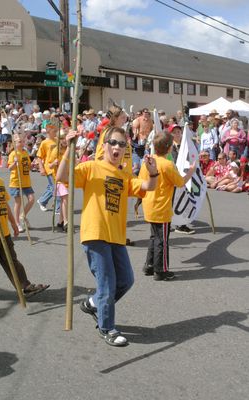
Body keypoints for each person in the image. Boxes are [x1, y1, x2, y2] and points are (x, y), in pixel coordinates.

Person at [56, 126, 158, 347]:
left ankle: (94, 304)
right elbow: (61, 176)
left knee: (126, 280)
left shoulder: (124, 174)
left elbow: (149, 186)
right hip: (95, 234)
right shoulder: (91, 167)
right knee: (107, 284)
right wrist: (69, 150)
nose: (117, 148)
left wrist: (153, 170)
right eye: (113, 142)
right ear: (104, 146)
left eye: (122, 144)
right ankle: (107, 327)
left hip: (116, 237)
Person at [0, 144, 49, 302]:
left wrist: (13, 224)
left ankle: (24, 286)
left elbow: (4, 205)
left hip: (3, 231)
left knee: (12, 261)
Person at [139, 131, 196, 281]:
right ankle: (161, 270)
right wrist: (191, 171)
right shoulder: (167, 164)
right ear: (169, 148)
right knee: (162, 240)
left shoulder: (148, 161)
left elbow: (141, 181)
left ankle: (149, 265)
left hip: (149, 204)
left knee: (154, 237)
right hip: (161, 207)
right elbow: (180, 182)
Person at [8, 135, 35, 232]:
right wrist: (14, 164)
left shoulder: (25, 153)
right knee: (18, 202)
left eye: (23, 141)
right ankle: (17, 223)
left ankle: (22, 216)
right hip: (16, 182)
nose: (22, 143)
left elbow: (28, 166)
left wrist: (32, 166)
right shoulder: (13, 154)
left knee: (31, 199)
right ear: (14, 143)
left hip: (26, 181)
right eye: (19, 141)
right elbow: (10, 168)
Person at [36, 123, 57, 212]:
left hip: (57, 168)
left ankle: (46, 201)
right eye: (54, 131)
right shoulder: (44, 143)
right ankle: (43, 201)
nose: (56, 132)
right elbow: (39, 156)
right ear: (48, 132)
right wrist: (41, 168)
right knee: (54, 187)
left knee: (52, 186)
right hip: (49, 168)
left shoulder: (57, 140)